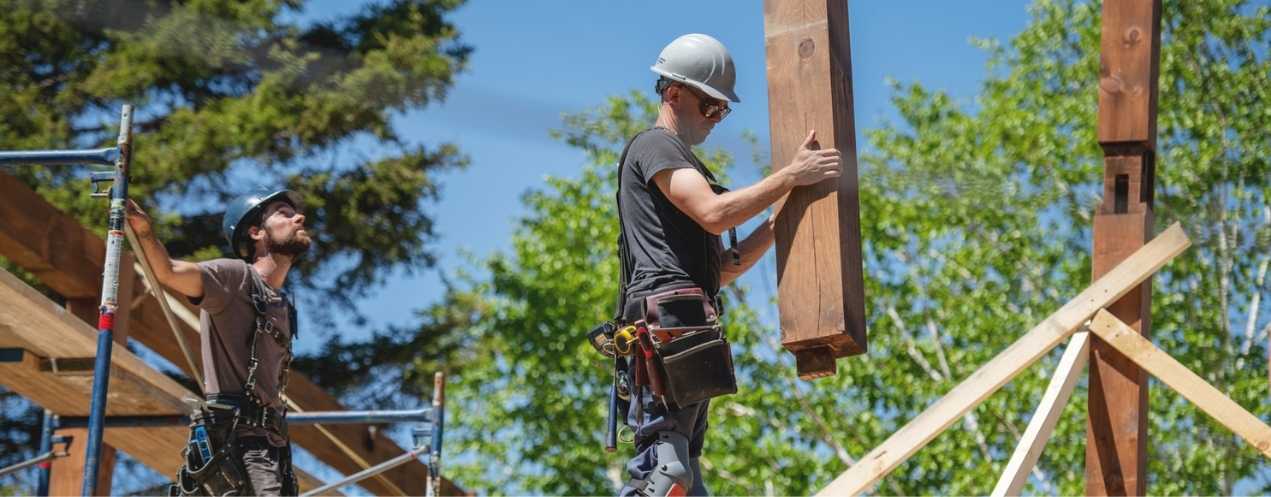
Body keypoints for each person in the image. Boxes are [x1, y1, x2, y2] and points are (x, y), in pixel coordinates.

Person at [611, 33, 843, 497]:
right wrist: (790, 176)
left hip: (691, 326)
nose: (716, 117)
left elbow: (725, 268)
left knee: (688, 477)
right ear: (673, 93)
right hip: (665, 327)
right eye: (709, 105)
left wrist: (785, 218)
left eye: (723, 109)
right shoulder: (654, 146)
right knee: (667, 470)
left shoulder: (683, 161)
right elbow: (716, 215)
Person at [126, 190, 311, 496]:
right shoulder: (234, 278)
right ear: (256, 232)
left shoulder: (282, 304)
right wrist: (145, 232)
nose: (299, 218)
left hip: (272, 446)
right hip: (239, 441)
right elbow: (168, 272)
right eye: (284, 213)